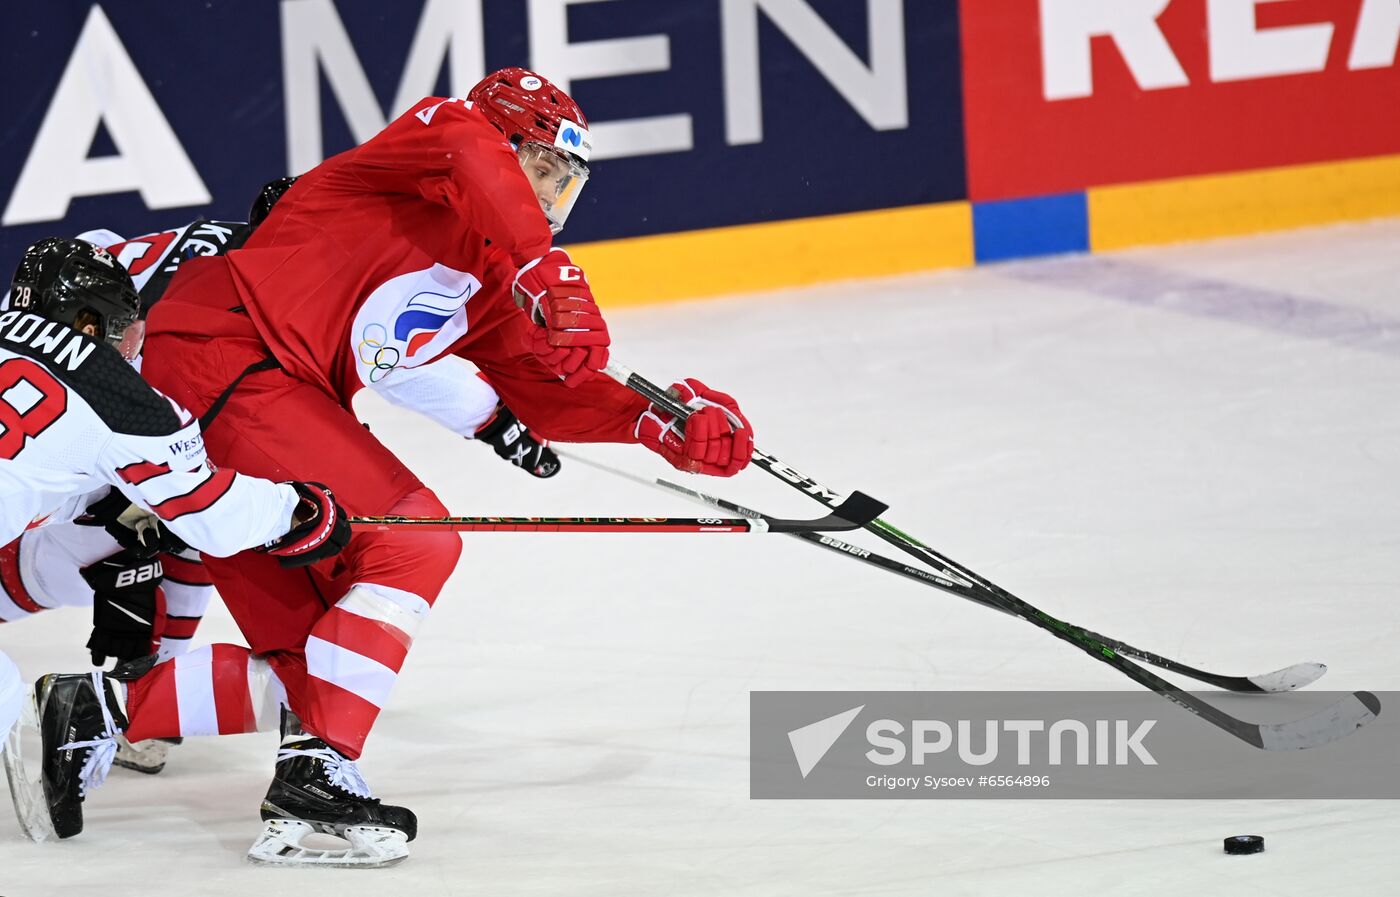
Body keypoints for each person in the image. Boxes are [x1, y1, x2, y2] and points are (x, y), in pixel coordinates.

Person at [36, 67, 753, 867]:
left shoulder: (493, 272)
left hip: (252, 390)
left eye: (564, 181)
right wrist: (537, 261)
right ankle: (313, 773)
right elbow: (473, 154)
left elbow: (547, 393)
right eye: (543, 169)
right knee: (416, 539)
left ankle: (92, 712)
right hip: (228, 354)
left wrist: (655, 423)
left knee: (320, 664)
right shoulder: (437, 142)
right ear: (505, 143)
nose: (551, 196)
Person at [0, 237, 353, 839]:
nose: (130, 349)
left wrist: (104, 502)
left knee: (117, 537)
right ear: (90, 323)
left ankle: (138, 700)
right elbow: (208, 513)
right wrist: (294, 508)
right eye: (126, 334)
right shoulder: (125, 400)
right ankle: (132, 703)